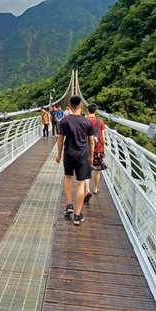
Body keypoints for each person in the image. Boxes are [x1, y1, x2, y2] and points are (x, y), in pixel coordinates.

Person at [56, 95, 95, 225]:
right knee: (80, 183)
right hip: (83, 155)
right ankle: (77, 215)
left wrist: (59, 155)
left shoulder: (64, 121)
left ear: (70, 107)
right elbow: (91, 142)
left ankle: (69, 205)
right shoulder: (87, 122)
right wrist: (91, 156)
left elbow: (60, 139)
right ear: (82, 106)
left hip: (69, 154)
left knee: (67, 177)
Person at [86, 103, 107, 194]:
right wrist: (104, 149)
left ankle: (87, 190)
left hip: (86, 148)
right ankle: (95, 188)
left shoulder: (84, 120)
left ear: (87, 110)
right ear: (96, 111)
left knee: (86, 169)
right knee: (98, 169)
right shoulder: (100, 121)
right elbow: (103, 137)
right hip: (98, 148)